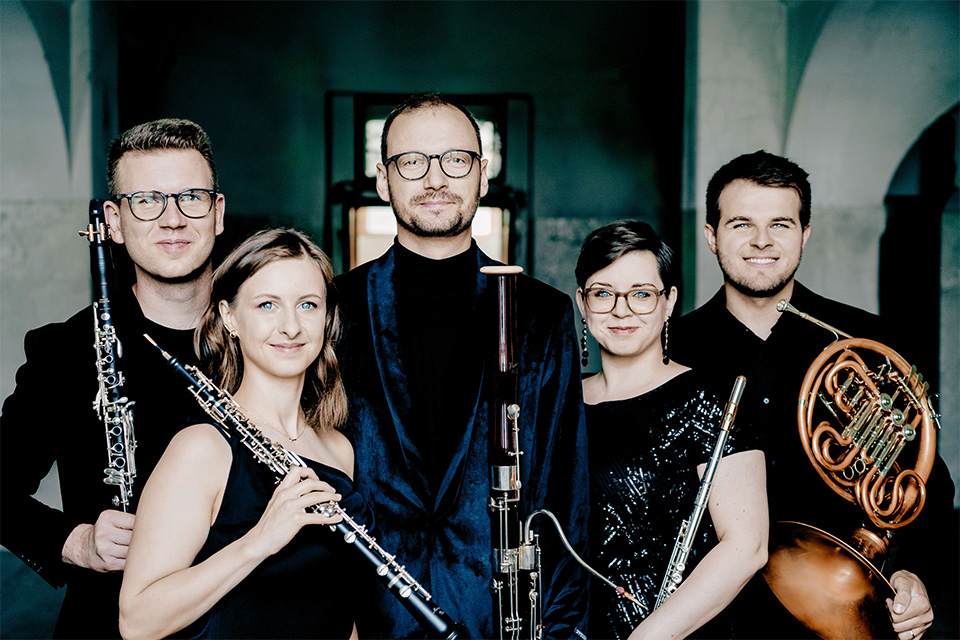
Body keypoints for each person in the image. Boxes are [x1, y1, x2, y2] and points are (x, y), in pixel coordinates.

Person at [334, 94, 589, 639]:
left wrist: (561, 631)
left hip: (498, 619)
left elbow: (564, 490)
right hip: (365, 618)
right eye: (412, 162)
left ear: (482, 174)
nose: (435, 179)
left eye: (455, 160)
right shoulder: (333, 307)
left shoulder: (542, 312)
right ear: (383, 179)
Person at [671, 150, 955, 640]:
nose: (762, 241)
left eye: (780, 224)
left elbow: (926, 482)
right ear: (711, 236)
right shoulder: (672, 350)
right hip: (708, 622)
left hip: (846, 620)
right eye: (742, 224)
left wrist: (914, 573)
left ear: (804, 234)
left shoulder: (867, 341)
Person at [0, 118, 225, 638]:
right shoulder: (63, 351)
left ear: (217, 213)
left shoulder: (275, 336)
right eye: (146, 201)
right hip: (110, 624)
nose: (172, 219)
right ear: (114, 221)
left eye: (191, 197)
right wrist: (75, 541)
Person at [118, 228, 366, 639]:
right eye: (267, 305)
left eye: (307, 304)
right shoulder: (202, 449)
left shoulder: (337, 448)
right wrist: (260, 541)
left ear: (326, 318)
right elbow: (138, 621)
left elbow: (339, 606)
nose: (291, 327)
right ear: (230, 317)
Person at [575, 220, 768, 639]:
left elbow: (746, 547)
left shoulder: (710, 398)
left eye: (642, 294)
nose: (621, 310)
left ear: (669, 302)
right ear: (582, 303)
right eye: (603, 293)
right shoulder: (559, 402)